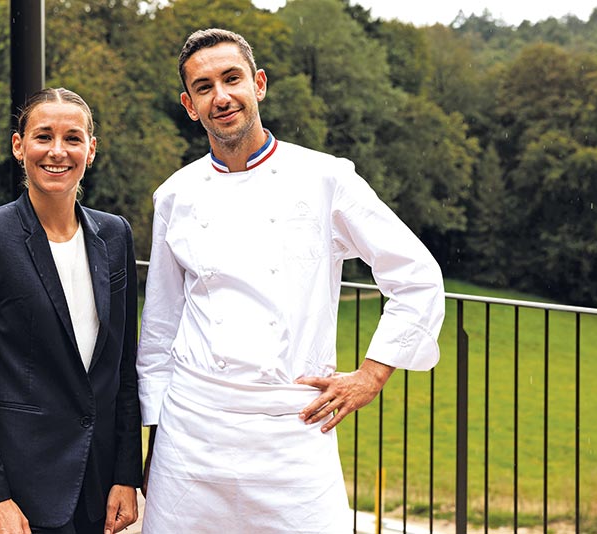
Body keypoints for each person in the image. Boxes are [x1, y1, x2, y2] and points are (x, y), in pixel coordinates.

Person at [136, 29, 446, 533]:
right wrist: (154, 442)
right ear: (189, 105)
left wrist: (371, 376)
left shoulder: (325, 178)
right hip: (191, 433)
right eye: (204, 87)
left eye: (232, 79)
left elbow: (416, 275)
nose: (221, 97)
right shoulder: (175, 194)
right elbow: (160, 327)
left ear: (258, 84)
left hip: (293, 430)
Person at [0, 87, 142, 534]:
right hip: (22, 487)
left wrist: (126, 474)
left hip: (98, 483)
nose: (57, 151)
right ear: (19, 146)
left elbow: (123, 368)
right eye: (43, 136)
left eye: (73, 138)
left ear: (91, 149)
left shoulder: (115, 235)